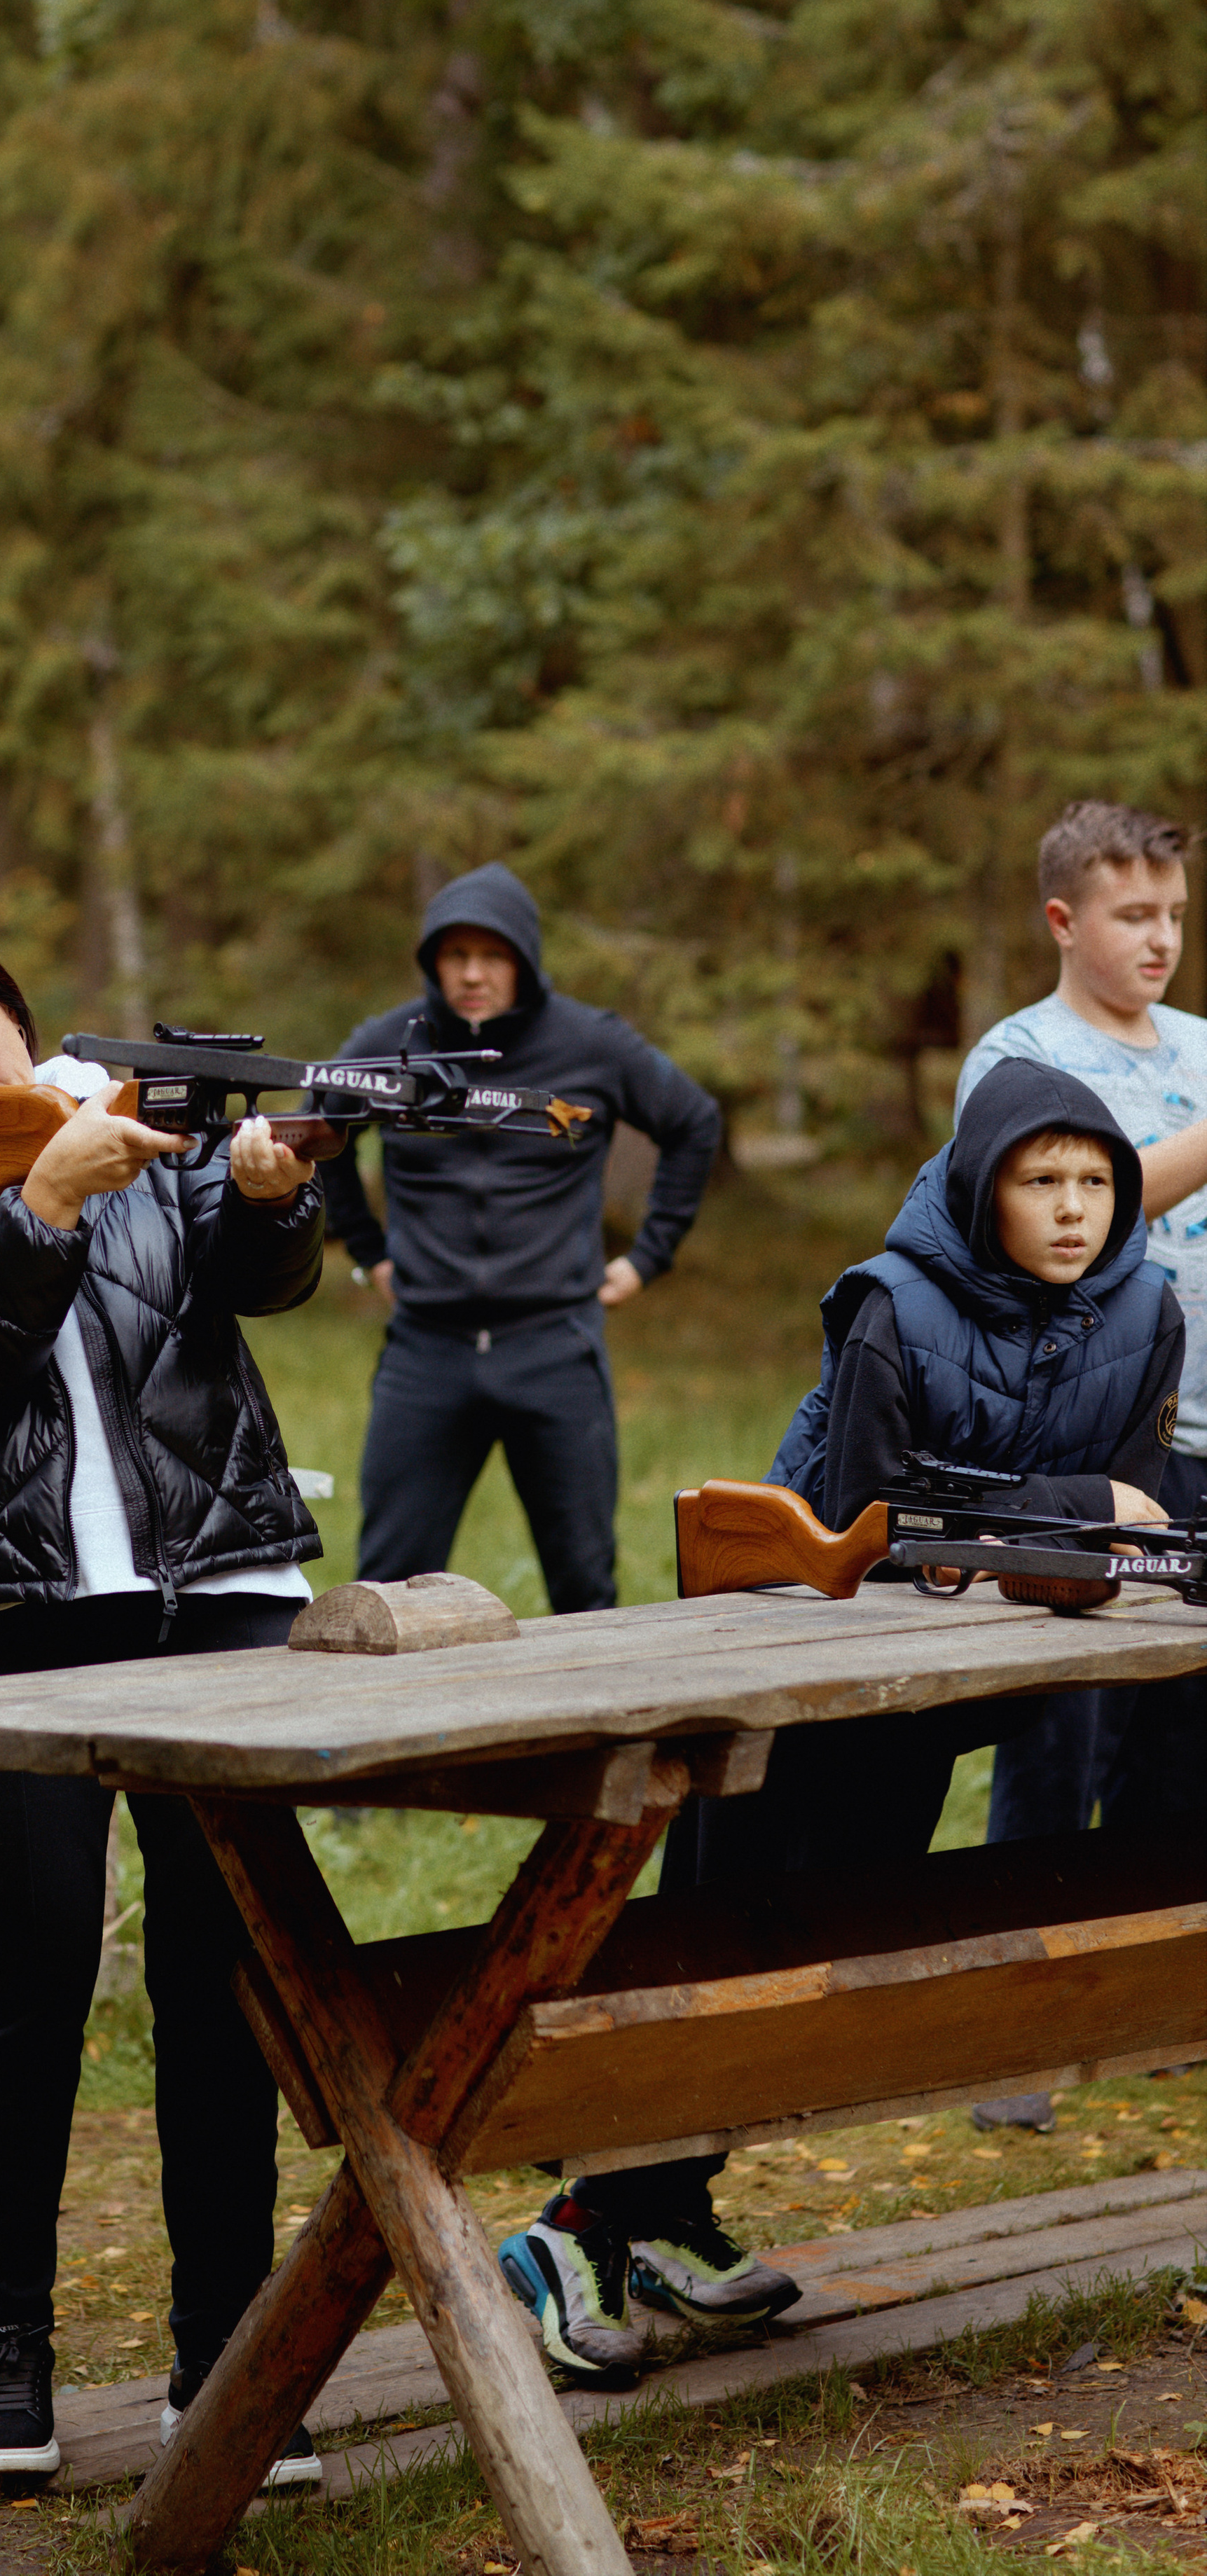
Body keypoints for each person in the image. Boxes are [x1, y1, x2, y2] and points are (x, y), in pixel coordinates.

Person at [499, 1058, 1182, 2380]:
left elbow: (1133, 1521)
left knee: (824, 1948)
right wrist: (1074, 1511)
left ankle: (668, 2215)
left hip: (936, 1681)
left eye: (1095, 1180)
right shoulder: (893, 1301)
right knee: (723, 1941)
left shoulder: (1147, 1307)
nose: (1071, 1208)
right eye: (1041, 1179)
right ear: (985, 1187)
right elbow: (883, 1514)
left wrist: (1076, 1523)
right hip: (790, 1657)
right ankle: (576, 2226)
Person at [0, 909, 326, 2484]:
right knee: (29, 1974)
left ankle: (225, 2350)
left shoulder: (140, 1114)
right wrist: (34, 1207)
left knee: (218, 1972)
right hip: (0, 1618)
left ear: (15, 1006)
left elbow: (255, 1289)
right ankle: (7, 2345)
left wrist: (266, 1202)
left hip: (214, 1590)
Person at [320, 863, 721, 1612]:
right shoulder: (390, 1045)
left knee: (583, 1586)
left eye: (493, 956)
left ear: (524, 960)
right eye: (455, 956)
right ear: (433, 962)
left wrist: (647, 1257)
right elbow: (319, 1125)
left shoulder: (590, 1044)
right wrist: (367, 1251)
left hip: (554, 1348)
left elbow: (693, 1122)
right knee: (382, 1589)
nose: (472, 975)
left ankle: (593, 1731)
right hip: (426, 1351)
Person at [957, 802, 1207, 1883]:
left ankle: (1143, 2005)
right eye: (1134, 914)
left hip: (1205, 1435)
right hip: (1082, 1457)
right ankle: (1017, 1963)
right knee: (1062, 1733)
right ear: (1063, 919)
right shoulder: (1019, 1058)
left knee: (1183, 1746)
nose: (1162, 940)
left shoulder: (1204, 1047)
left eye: (1178, 917)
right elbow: (1087, 1220)